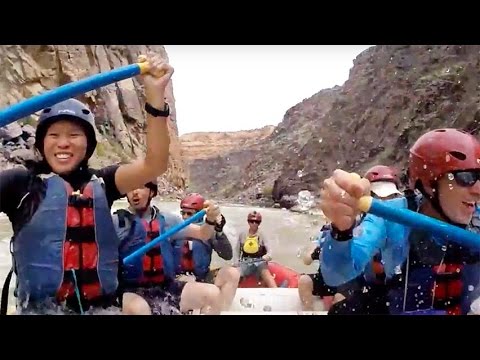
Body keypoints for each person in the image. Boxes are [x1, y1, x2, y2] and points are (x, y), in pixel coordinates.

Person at [0, 54, 174, 315]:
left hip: (101, 309)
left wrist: (155, 95)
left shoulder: (103, 183)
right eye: (54, 135)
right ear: (41, 143)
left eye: (74, 135)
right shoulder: (21, 184)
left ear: (88, 145)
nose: (63, 143)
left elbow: (155, 165)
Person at [320, 128, 480, 315]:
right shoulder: (391, 217)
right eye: (466, 178)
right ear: (429, 183)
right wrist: (341, 231)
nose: (478, 190)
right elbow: (335, 275)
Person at [113, 183, 227, 315]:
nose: (135, 192)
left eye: (141, 187)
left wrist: (211, 220)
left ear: (151, 192)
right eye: (131, 188)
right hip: (130, 290)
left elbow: (203, 234)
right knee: (140, 310)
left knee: (213, 294)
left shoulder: (167, 220)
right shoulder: (117, 222)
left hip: (165, 286)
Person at [173, 193, 240, 311]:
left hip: (203, 276)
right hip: (180, 278)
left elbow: (227, 255)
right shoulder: (174, 230)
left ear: (200, 214)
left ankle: (221, 311)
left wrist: (219, 232)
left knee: (232, 273)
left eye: (189, 213)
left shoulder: (209, 232)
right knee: (188, 282)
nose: (185, 217)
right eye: (183, 213)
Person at [234, 211, 277, 288]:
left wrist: (267, 256)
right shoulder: (242, 234)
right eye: (251, 221)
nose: (254, 224)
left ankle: (276, 291)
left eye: (256, 222)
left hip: (260, 262)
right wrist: (236, 261)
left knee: (266, 275)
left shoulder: (262, 235)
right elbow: (237, 250)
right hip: (246, 262)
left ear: (259, 223)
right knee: (235, 275)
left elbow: (269, 250)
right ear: (248, 222)